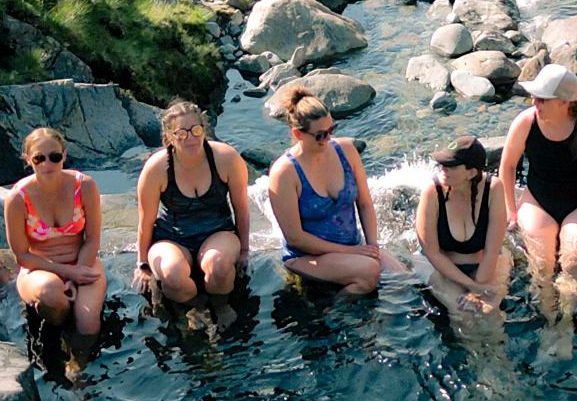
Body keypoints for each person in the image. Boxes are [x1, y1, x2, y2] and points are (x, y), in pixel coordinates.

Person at [498, 65, 577, 309]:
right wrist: (510, 211)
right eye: (534, 97)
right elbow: (507, 166)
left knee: (572, 261)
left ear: (564, 102)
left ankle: (566, 321)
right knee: (541, 264)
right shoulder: (526, 122)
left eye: (542, 98)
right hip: (538, 200)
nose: (535, 102)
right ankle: (548, 317)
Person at [266, 87, 394, 292]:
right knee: (369, 271)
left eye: (331, 130)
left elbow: (364, 203)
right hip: (306, 256)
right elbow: (295, 238)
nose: (327, 139)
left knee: (407, 279)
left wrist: (372, 245)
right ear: (297, 134)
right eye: (320, 135)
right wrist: (353, 252)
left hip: (353, 247)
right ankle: (337, 315)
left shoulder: (346, 151)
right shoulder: (285, 173)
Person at [134, 98, 251, 304]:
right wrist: (142, 263)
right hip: (171, 237)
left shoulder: (226, 158)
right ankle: (194, 308)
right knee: (172, 274)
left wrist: (244, 251)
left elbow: (241, 209)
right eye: (181, 133)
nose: (191, 138)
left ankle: (221, 307)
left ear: (204, 130)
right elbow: (145, 221)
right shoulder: (156, 169)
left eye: (196, 130)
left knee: (219, 265)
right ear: (170, 137)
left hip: (218, 232)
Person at [5, 124, 104, 364]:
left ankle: (79, 367)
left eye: (55, 157)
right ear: (28, 160)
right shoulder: (17, 199)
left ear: (64, 155)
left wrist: (78, 272)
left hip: (82, 260)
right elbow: (22, 255)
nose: (48, 164)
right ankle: (56, 345)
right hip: (39, 267)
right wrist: (68, 274)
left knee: (88, 321)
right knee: (52, 296)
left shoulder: (85, 186)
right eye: (40, 158)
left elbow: (92, 239)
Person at [413, 135, 512, 316]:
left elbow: (492, 251)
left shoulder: (493, 188)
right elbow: (432, 253)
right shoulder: (432, 192)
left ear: (471, 173)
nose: (443, 169)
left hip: (483, 262)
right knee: (463, 312)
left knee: (490, 311)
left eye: (451, 166)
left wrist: (478, 289)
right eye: (442, 164)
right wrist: (472, 287)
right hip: (438, 265)